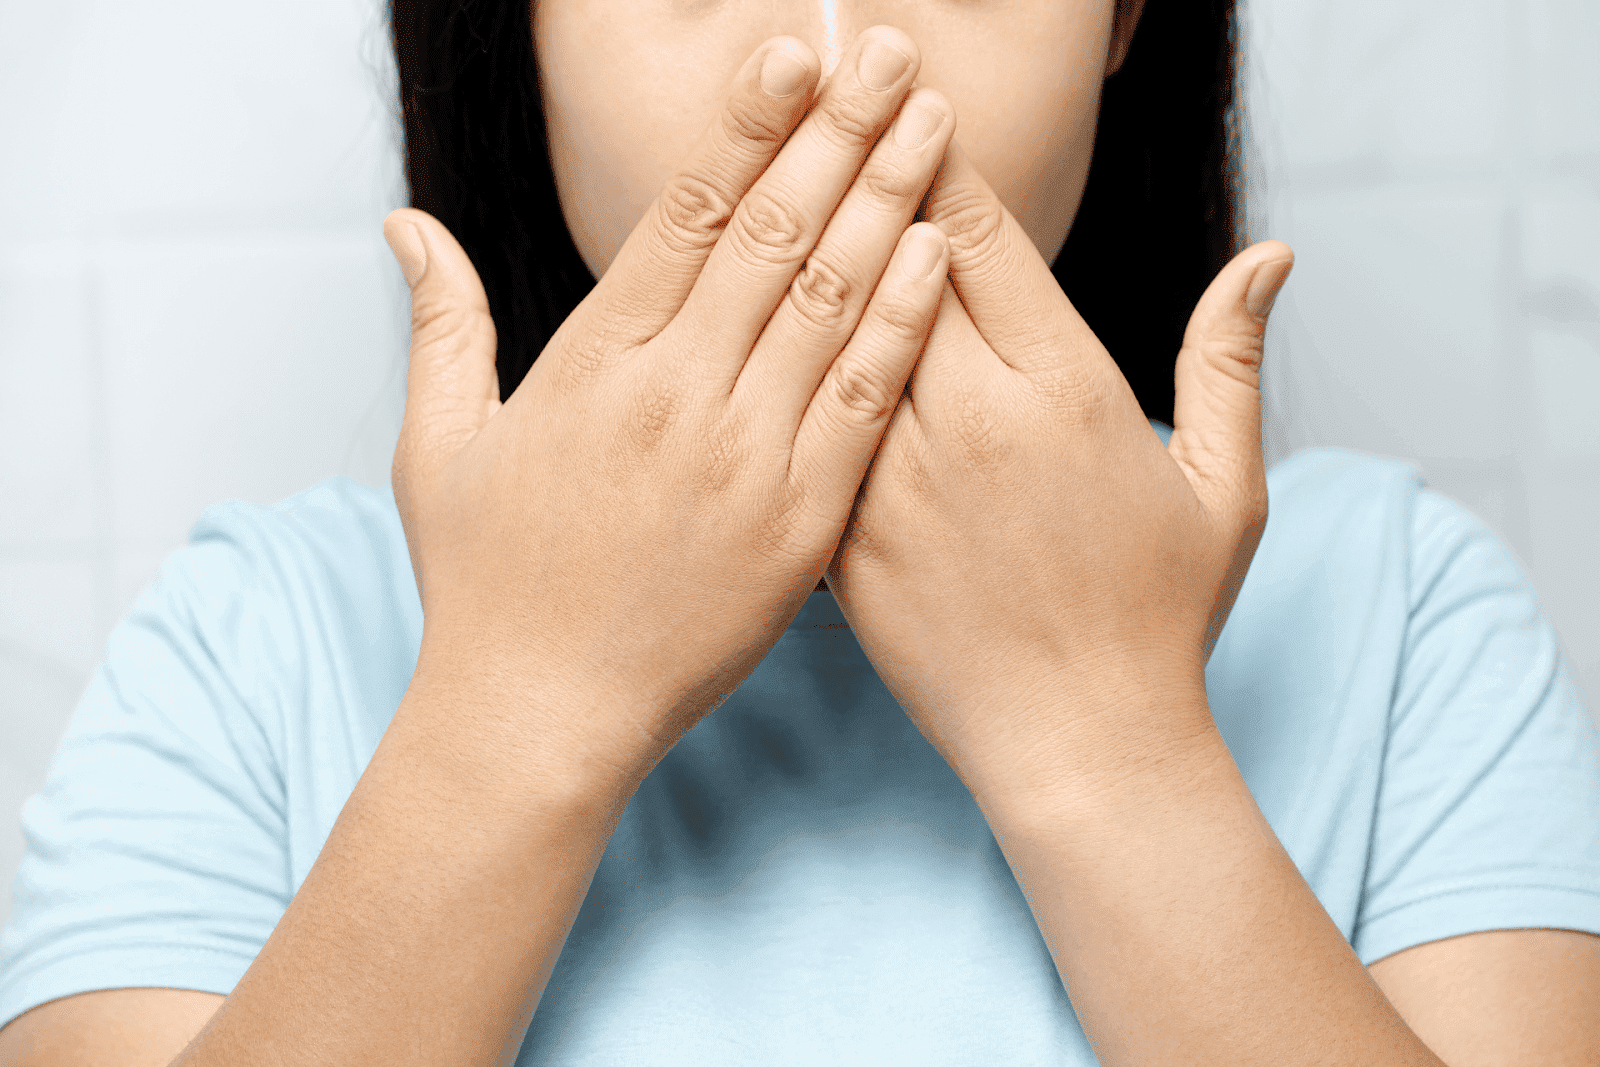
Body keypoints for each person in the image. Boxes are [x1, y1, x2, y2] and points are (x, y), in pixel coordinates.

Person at [1, 1, 1597, 1064]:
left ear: (1122, 17)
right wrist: (519, 709)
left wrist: (1106, 744)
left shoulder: (1405, 614)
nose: (835, 67)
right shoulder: (251, 641)